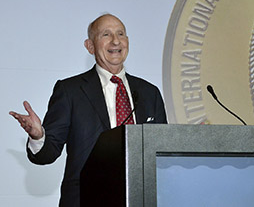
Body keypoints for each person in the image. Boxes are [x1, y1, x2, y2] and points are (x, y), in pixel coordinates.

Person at [9, 14, 167, 206]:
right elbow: (47, 154)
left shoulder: (149, 93)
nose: (116, 40)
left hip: (140, 198)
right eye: (106, 34)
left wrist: (188, 138)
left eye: (121, 34)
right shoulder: (70, 91)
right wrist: (38, 136)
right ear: (90, 46)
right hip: (85, 198)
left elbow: (162, 152)